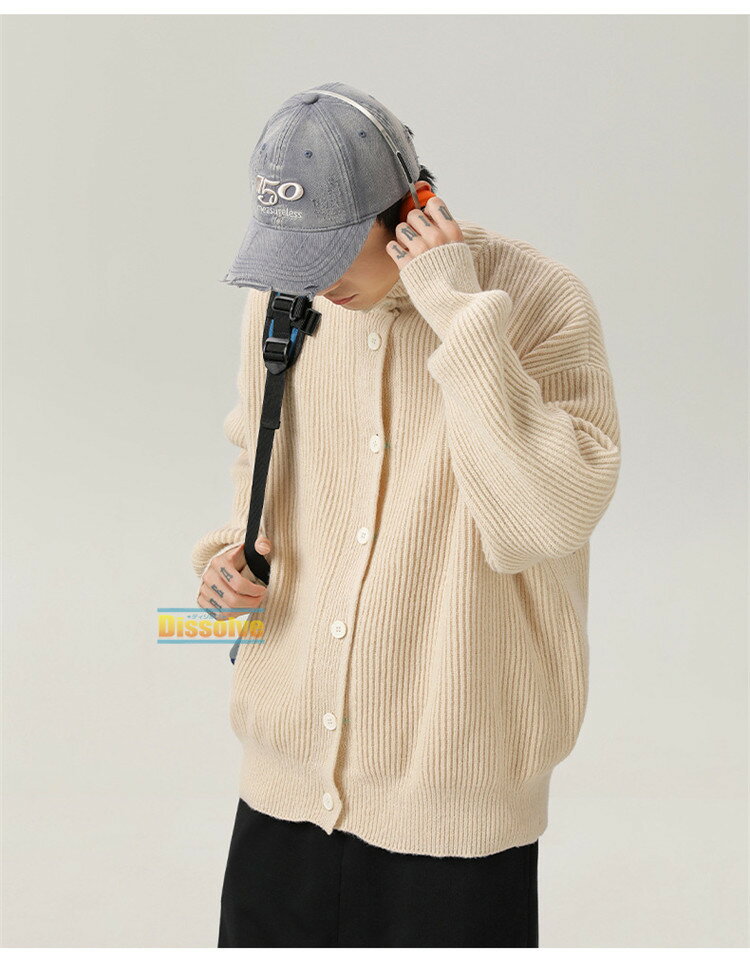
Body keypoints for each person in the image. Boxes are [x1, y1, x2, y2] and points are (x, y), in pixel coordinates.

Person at [192, 81, 621, 948]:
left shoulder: (539, 301)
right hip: (280, 795)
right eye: (292, 251)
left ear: (412, 206)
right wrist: (232, 560)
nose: (314, 278)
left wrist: (458, 313)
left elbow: (546, 516)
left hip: (455, 815)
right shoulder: (286, 302)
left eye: (329, 247)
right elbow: (257, 467)